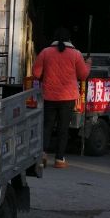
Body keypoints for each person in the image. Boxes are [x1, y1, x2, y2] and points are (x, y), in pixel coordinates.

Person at [32, 27, 91, 168]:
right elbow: (83, 75)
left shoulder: (46, 52)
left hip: (49, 95)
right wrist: (88, 63)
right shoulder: (76, 54)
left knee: (47, 126)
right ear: (69, 39)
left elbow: (36, 73)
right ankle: (59, 159)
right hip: (68, 97)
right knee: (63, 129)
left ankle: (43, 155)